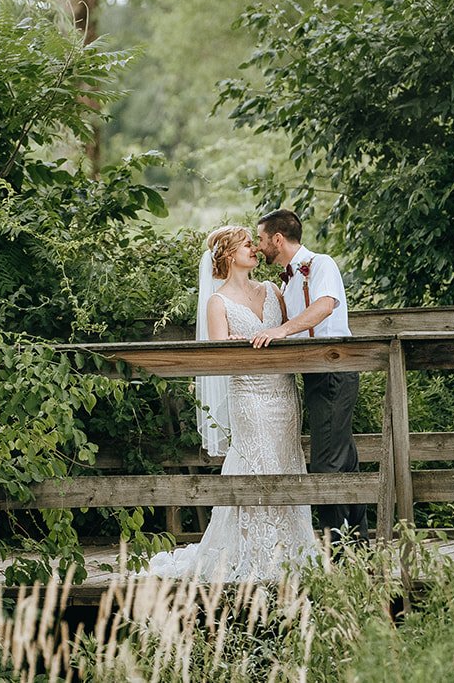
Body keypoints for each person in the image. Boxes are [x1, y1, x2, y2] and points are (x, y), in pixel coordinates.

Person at [146, 225, 320, 581]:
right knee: (258, 465)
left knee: (287, 463)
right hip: (250, 397)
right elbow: (216, 356)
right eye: (246, 245)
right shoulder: (218, 302)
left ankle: (291, 548)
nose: (254, 249)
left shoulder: (273, 290)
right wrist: (233, 344)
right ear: (227, 255)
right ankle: (256, 551)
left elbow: (291, 330)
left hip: (285, 396)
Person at [250, 209, 367, 543]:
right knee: (344, 460)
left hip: (333, 368)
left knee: (326, 465)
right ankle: (359, 546)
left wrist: (284, 330)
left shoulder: (320, 264)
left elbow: (325, 305)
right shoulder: (286, 280)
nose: (259, 247)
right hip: (315, 373)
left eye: (261, 239)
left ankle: (340, 551)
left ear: (277, 238)